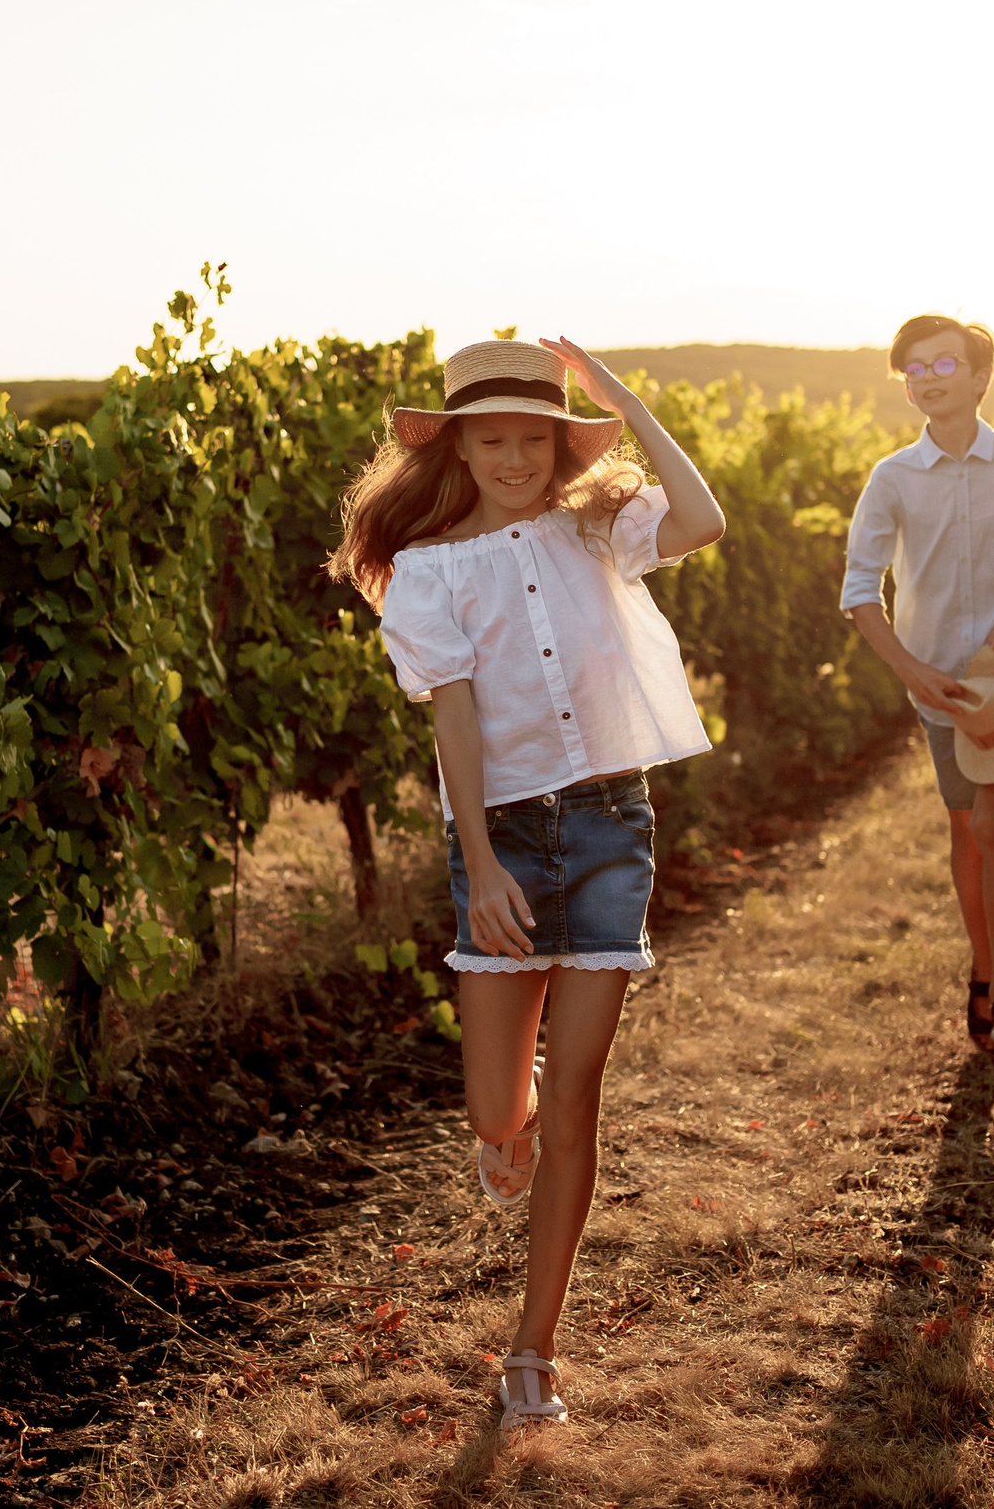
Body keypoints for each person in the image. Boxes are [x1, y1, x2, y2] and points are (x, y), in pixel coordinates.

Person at [328, 335, 725, 1432]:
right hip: (500, 835)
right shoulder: (425, 572)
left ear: (560, 442)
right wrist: (483, 862)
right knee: (498, 1106)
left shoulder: (597, 528)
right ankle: (506, 1132)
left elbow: (702, 520)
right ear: (455, 446)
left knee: (578, 1104)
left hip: (609, 825)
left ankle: (532, 1353)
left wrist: (626, 402)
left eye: (533, 437)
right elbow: (454, 720)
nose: (512, 457)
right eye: (490, 439)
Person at [840, 316, 994, 1056]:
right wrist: (912, 669)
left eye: (945, 362)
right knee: (964, 824)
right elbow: (860, 590)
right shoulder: (892, 479)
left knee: (990, 819)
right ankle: (983, 971)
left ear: (981, 377)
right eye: (913, 368)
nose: (929, 376)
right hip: (937, 684)